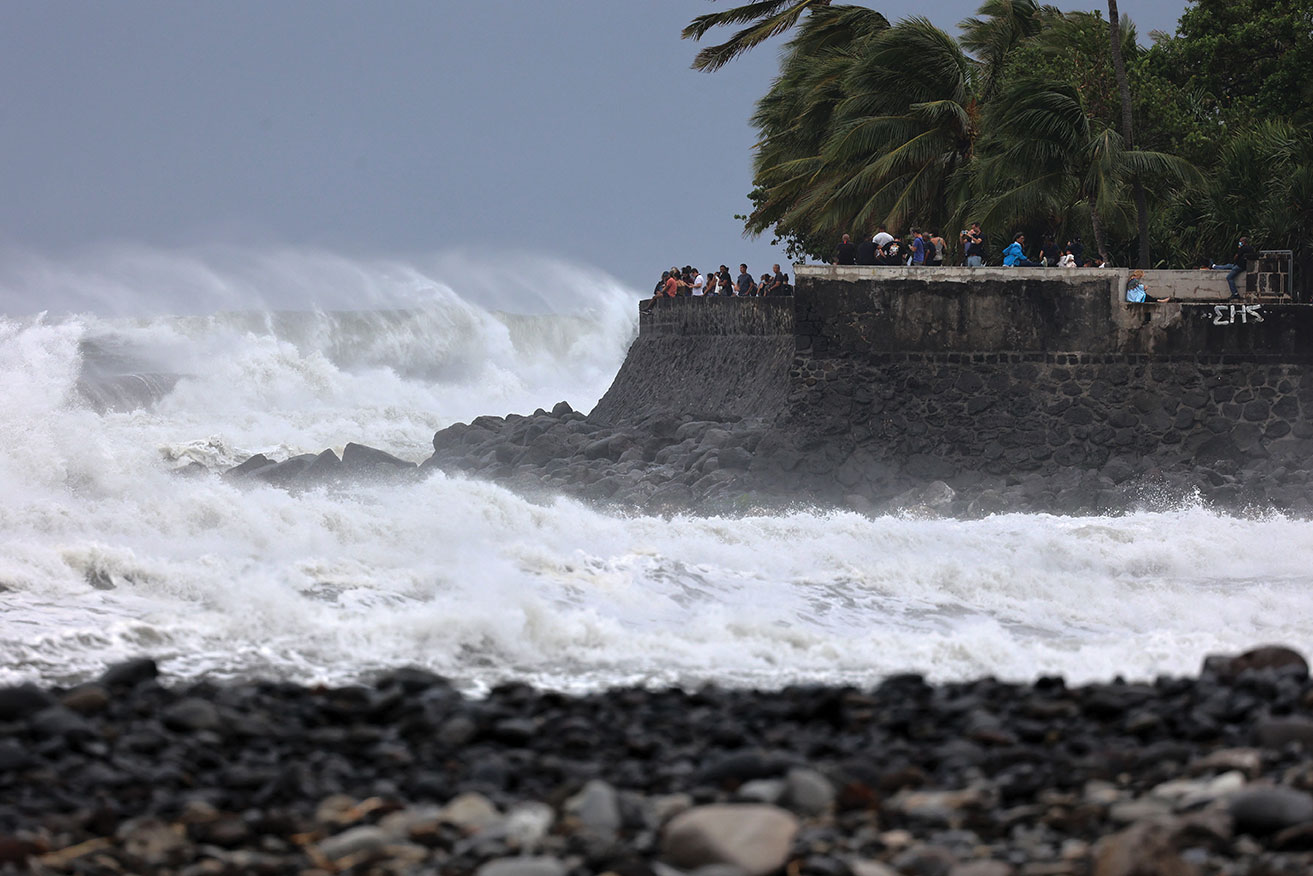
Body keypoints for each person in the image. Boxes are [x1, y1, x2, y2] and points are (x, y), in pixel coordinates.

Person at [1212, 235, 1257, 300]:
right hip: (1243, 265)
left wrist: (1239, 248)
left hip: (1240, 266)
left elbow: (1236, 256)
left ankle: (1235, 293)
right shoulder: (1251, 248)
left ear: (1244, 242)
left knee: (1229, 277)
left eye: (1241, 241)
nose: (1239, 243)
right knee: (1228, 266)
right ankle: (1214, 266)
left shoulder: (1243, 248)